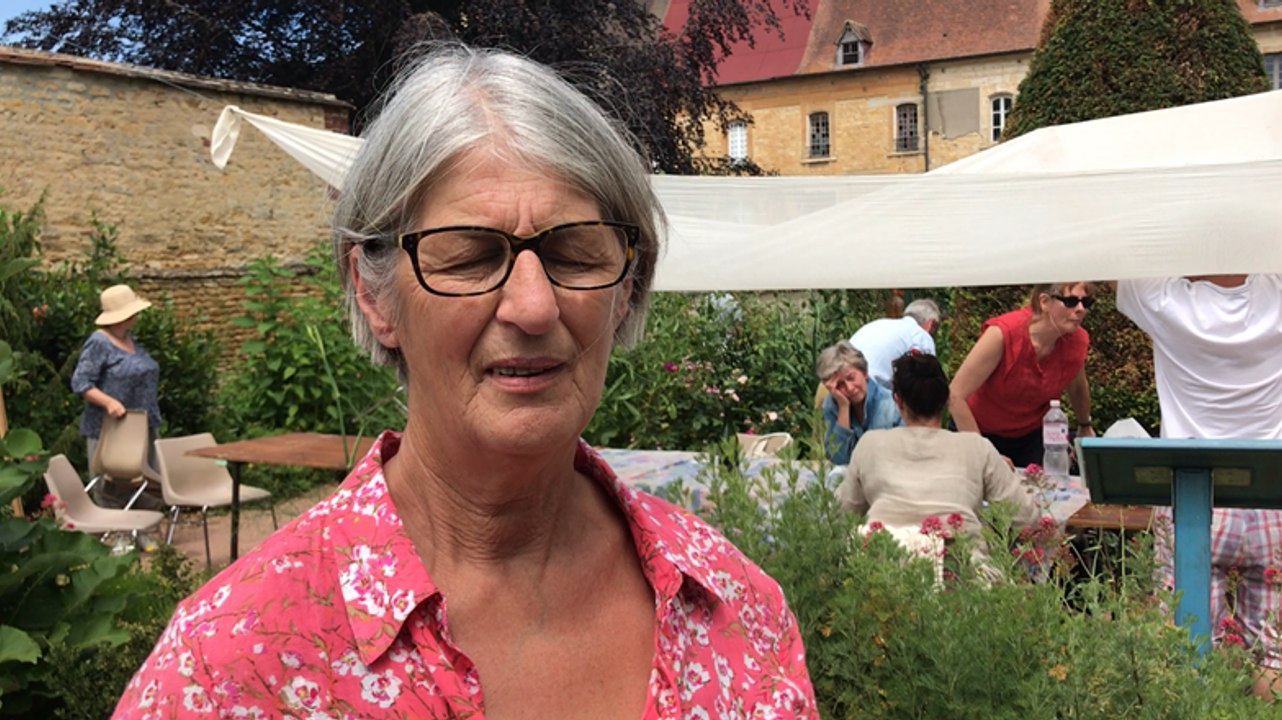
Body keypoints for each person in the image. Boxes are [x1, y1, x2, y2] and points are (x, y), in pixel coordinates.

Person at [112, 44, 816, 719]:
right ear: (373, 294)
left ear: (627, 286)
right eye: (470, 258)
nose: (533, 307)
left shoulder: (731, 604)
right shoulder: (231, 669)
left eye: (575, 253)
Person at [1116, 274, 1282, 698]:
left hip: (1193, 499)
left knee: (1186, 650)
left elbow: (1118, 252)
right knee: (1272, 656)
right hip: (1271, 497)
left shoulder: (1160, 298)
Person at [837, 352, 1040, 539]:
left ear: (898, 401)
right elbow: (1026, 517)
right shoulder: (977, 448)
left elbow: (841, 514)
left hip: (885, 559)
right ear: (946, 400)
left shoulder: (870, 444)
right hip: (960, 561)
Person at [948, 282, 1096, 468]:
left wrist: (1085, 425)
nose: (1081, 309)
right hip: (977, 432)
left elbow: (1077, 386)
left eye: (1086, 302)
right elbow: (955, 394)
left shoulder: (1076, 341)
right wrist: (985, 455)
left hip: (1030, 437)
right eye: (1071, 301)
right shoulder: (1003, 334)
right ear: (1044, 302)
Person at [70, 284, 163, 509]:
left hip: (143, 425)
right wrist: (109, 402)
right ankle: (116, 529)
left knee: (150, 487)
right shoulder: (99, 342)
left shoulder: (130, 340)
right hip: (112, 429)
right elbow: (81, 382)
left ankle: (144, 527)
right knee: (113, 489)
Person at [816, 340, 902, 465]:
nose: (850, 388)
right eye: (840, 384)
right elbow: (838, 458)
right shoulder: (832, 404)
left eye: (851, 378)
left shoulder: (893, 406)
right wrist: (843, 407)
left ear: (865, 372)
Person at [849, 298, 941, 389]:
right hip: (868, 385)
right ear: (931, 323)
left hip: (845, 379)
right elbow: (927, 381)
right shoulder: (921, 334)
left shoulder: (879, 324)